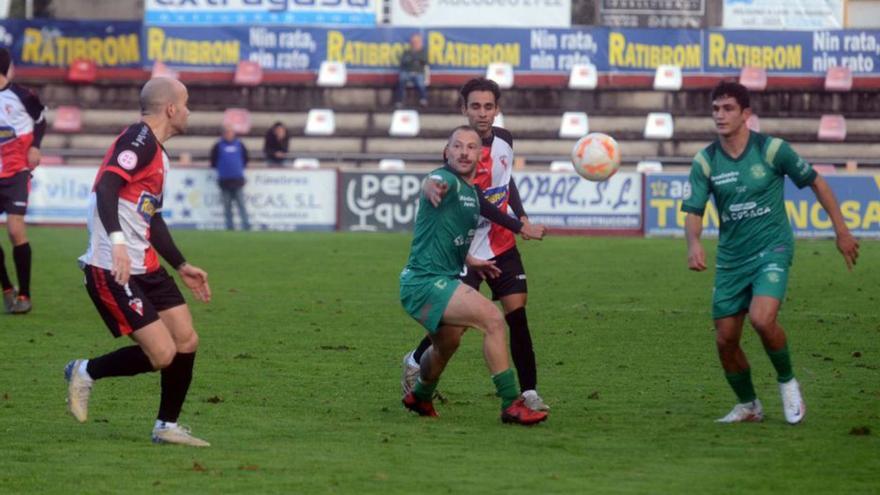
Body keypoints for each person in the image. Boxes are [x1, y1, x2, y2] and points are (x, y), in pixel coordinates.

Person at [682, 81, 859, 425]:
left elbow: (817, 183)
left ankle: (788, 382)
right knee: (725, 340)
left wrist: (842, 231)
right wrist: (693, 244)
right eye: (716, 109)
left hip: (771, 248)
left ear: (746, 114)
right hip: (732, 258)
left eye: (728, 108)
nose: (720, 115)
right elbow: (694, 211)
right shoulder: (706, 161)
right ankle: (749, 406)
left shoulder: (772, 150)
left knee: (762, 318)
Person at [65, 77, 212, 447]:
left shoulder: (158, 152)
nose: (190, 111)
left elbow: (152, 218)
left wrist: (181, 265)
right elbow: (106, 187)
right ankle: (85, 371)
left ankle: (166, 426)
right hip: (112, 266)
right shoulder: (139, 140)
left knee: (186, 340)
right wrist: (115, 242)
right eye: (187, 103)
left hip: (145, 263)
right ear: (172, 109)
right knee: (162, 353)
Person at [402, 77, 550, 412]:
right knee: (453, 330)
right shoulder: (459, 157)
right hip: (466, 250)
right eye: (475, 106)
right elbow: (477, 200)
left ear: (497, 109)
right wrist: (520, 226)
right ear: (464, 109)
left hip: (501, 243)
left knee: (517, 315)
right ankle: (415, 359)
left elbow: (505, 178)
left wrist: (522, 217)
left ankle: (528, 393)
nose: (482, 114)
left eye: (488, 107)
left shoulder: (505, 140)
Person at [0, 47, 46, 314]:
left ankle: (25, 296)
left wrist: (35, 146)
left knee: (15, 230)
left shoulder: (23, 96)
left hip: (16, 172)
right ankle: (7, 288)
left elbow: (41, 120)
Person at [210, 126, 251, 231]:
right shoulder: (218, 145)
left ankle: (246, 226)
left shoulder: (240, 144)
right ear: (223, 134)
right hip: (224, 181)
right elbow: (213, 161)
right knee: (227, 207)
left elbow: (246, 158)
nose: (229, 134)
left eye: (231, 132)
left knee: (241, 205)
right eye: (227, 132)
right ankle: (230, 227)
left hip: (237, 180)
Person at [393, 33, 429, 108]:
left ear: (420, 42)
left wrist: (413, 59)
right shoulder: (407, 52)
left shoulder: (423, 52)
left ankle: (423, 100)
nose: (415, 44)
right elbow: (403, 61)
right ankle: (399, 101)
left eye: (416, 42)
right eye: (413, 42)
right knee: (401, 80)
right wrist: (415, 60)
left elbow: (425, 61)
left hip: (418, 73)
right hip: (407, 72)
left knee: (420, 83)